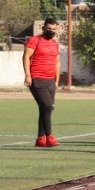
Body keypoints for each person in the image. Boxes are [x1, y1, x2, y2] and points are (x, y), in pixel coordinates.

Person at [23, 17, 62, 147]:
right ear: (43, 28)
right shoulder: (35, 40)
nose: (51, 31)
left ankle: (41, 138)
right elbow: (26, 57)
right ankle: (49, 136)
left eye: (53, 29)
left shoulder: (55, 43)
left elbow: (57, 62)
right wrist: (28, 75)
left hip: (50, 80)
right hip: (37, 79)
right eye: (49, 28)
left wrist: (57, 80)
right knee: (47, 106)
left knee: (46, 109)